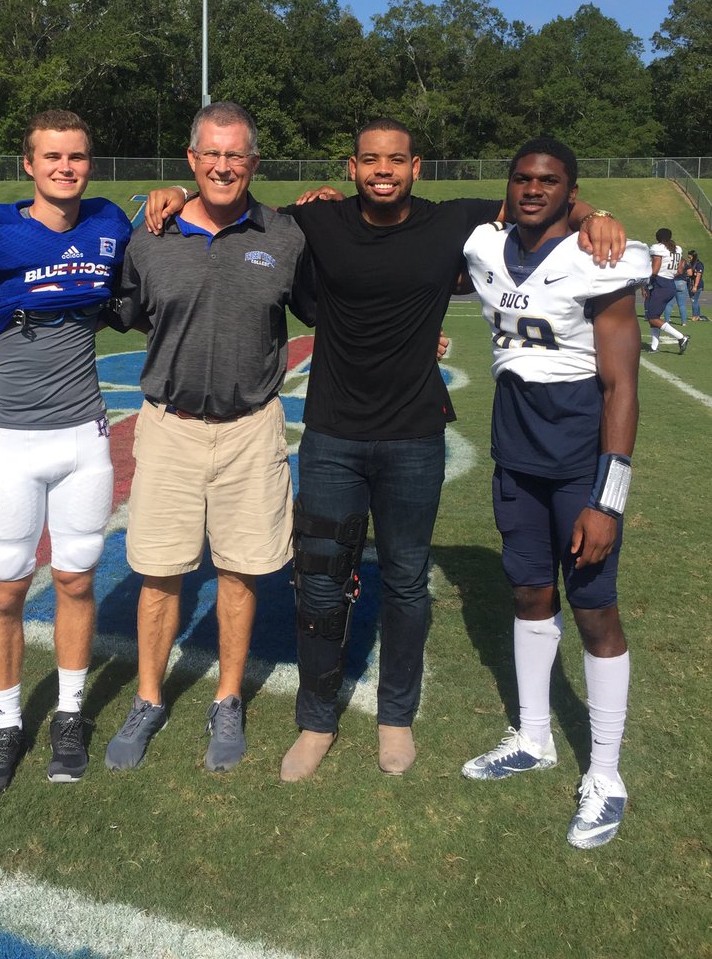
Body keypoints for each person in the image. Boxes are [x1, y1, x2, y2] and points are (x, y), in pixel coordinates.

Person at [147, 118, 625, 782]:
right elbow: (232, 202)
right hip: (332, 436)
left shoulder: (452, 221)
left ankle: (396, 717)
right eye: (370, 160)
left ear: (415, 167)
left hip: (414, 437)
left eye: (395, 160)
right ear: (352, 167)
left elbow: (537, 196)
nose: (383, 170)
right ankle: (316, 722)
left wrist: (594, 213)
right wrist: (175, 191)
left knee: (405, 583)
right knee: (319, 584)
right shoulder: (319, 221)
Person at [103, 101, 316, 774]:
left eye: (236, 155)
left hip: (251, 428)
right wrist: (0, 332)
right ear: (192, 160)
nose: (223, 166)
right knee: (159, 572)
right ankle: (148, 698)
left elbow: (338, 300)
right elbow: (105, 305)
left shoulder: (286, 235)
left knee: (240, 570)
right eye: (211, 154)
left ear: (254, 162)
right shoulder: (151, 235)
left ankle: (227, 698)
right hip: (171, 428)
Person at [460, 138, 650, 849]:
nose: (533, 189)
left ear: (571, 190)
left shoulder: (600, 259)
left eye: (549, 180)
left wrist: (608, 499)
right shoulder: (483, 245)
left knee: (596, 611)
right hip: (516, 459)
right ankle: (534, 738)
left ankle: (606, 774)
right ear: (507, 185)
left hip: (579, 468)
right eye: (522, 178)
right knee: (529, 595)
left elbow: (622, 387)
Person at [0, 110, 131, 797]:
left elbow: (149, 225)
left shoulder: (107, 224)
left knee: (76, 580)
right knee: (7, 589)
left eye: (76, 156)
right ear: (29, 164)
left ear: (90, 164)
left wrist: (168, 195)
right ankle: (7, 723)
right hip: (10, 444)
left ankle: (70, 715)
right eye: (52, 157)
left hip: (84, 439)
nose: (65, 168)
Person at [644, 228, 689, 353]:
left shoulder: (658, 248)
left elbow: (655, 269)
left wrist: (646, 282)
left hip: (660, 283)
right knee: (654, 317)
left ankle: (681, 337)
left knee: (652, 318)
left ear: (658, 237)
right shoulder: (676, 249)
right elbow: (680, 268)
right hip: (669, 283)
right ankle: (654, 347)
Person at [685, 249, 705, 320]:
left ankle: (695, 315)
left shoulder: (699, 264)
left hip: (697, 285)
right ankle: (697, 315)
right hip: (690, 284)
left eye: (690, 257)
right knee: (694, 300)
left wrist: (695, 286)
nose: (689, 259)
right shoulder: (690, 264)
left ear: (694, 257)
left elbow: (698, 276)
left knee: (694, 300)